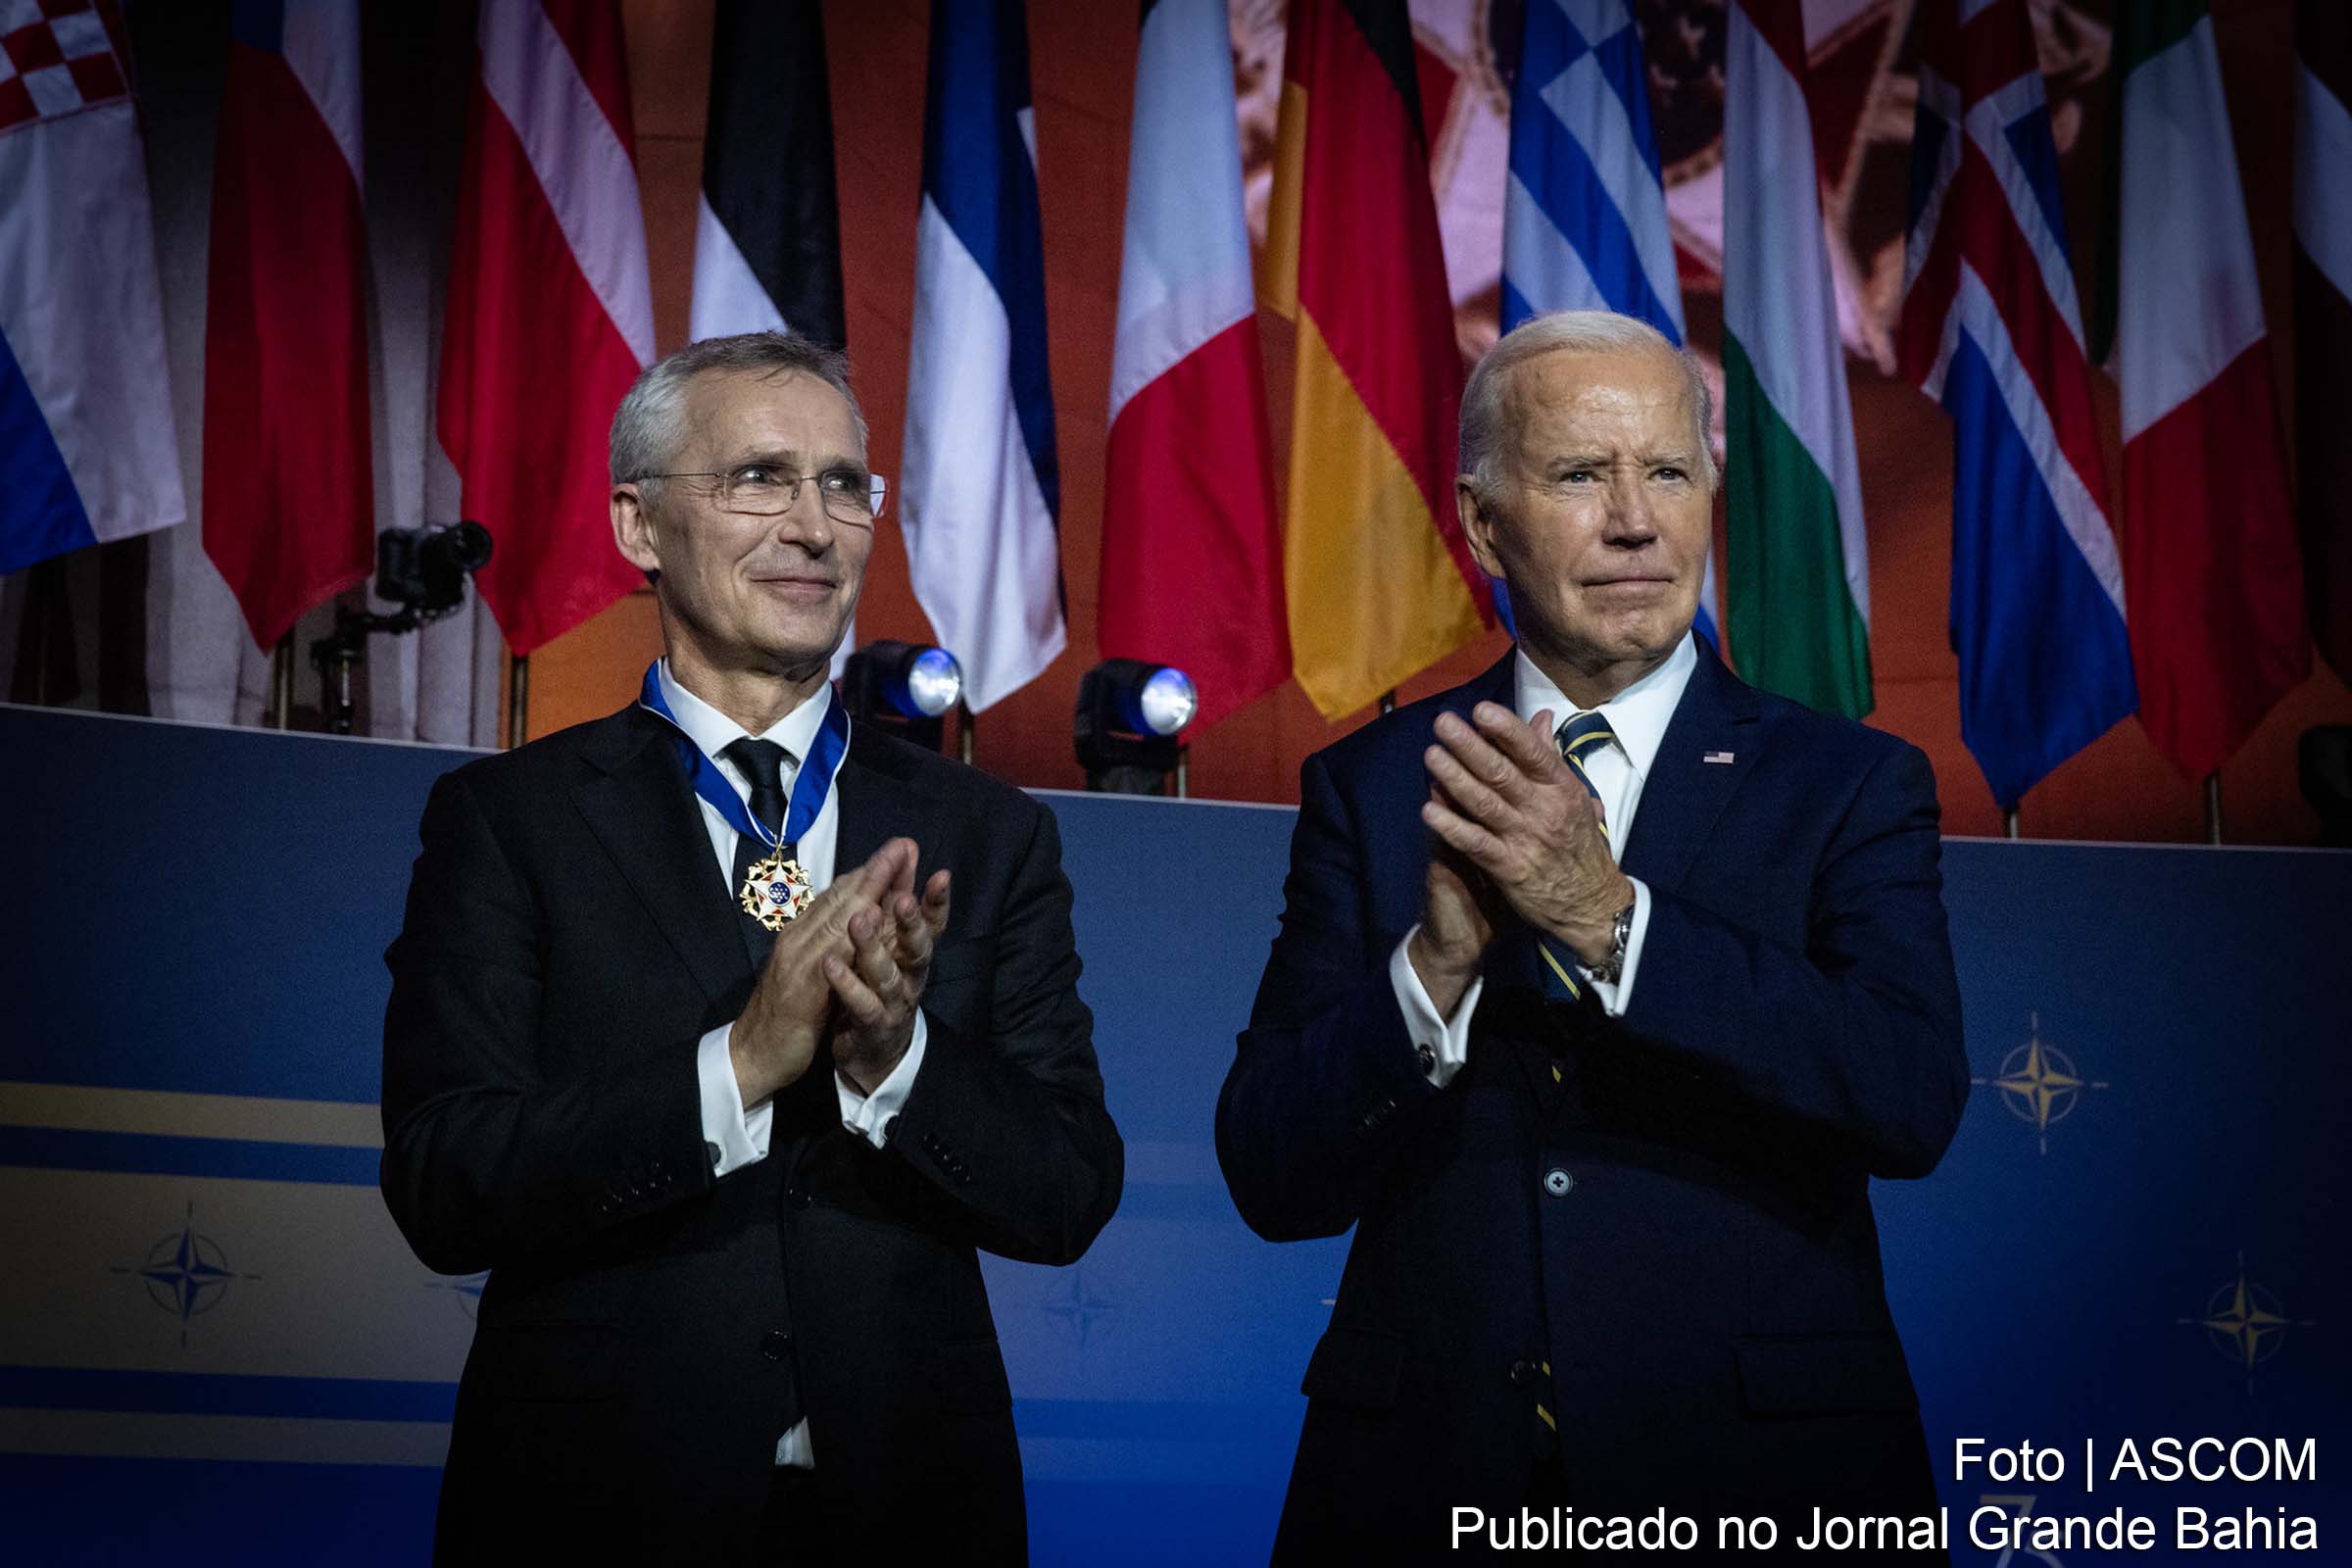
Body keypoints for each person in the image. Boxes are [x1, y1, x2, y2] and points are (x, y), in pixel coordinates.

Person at [1217, 311, 1966, 1561]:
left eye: (1668, 470)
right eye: (1580, 474)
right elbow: (1271, 1172)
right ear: (1482, 518)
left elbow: (1908, 1094)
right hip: (1426, 1478)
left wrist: (1612, 921)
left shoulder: (1848, 784)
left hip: (1761, 1475)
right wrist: (1433, 973)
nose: (1637, 519)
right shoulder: (1375, 783)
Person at [380, 331, 1121, 1564]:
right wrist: (739, 1063)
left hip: (911, 1508)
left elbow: (1066, 1190)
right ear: (637, 527)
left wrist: (896, 1057)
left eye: (845, 484)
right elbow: (448, 1180)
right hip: (595, 1505)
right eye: (759, 479)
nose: (817, 526)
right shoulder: (512, 823)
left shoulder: (985, 832)